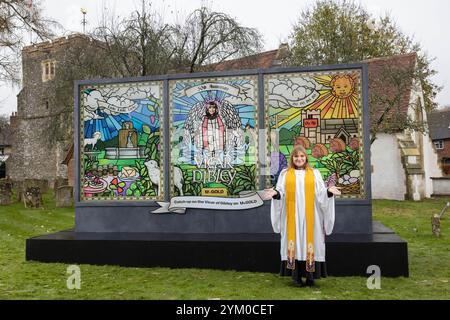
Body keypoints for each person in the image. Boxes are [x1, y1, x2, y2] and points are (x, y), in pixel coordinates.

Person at [263, 145, 341, 287]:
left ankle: (310, 277)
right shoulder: (285, 174)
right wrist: (276, 193)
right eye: (296, 156)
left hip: (311, 216)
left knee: (311, 244)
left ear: (306, 158)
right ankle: (296, 276)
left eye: (302, 156)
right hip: (292, 216)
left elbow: (320, 193)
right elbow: (281, 191)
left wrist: (329, 191)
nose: (299, 159)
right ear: (292, 158)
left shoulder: (314, 173)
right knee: (296, 244)